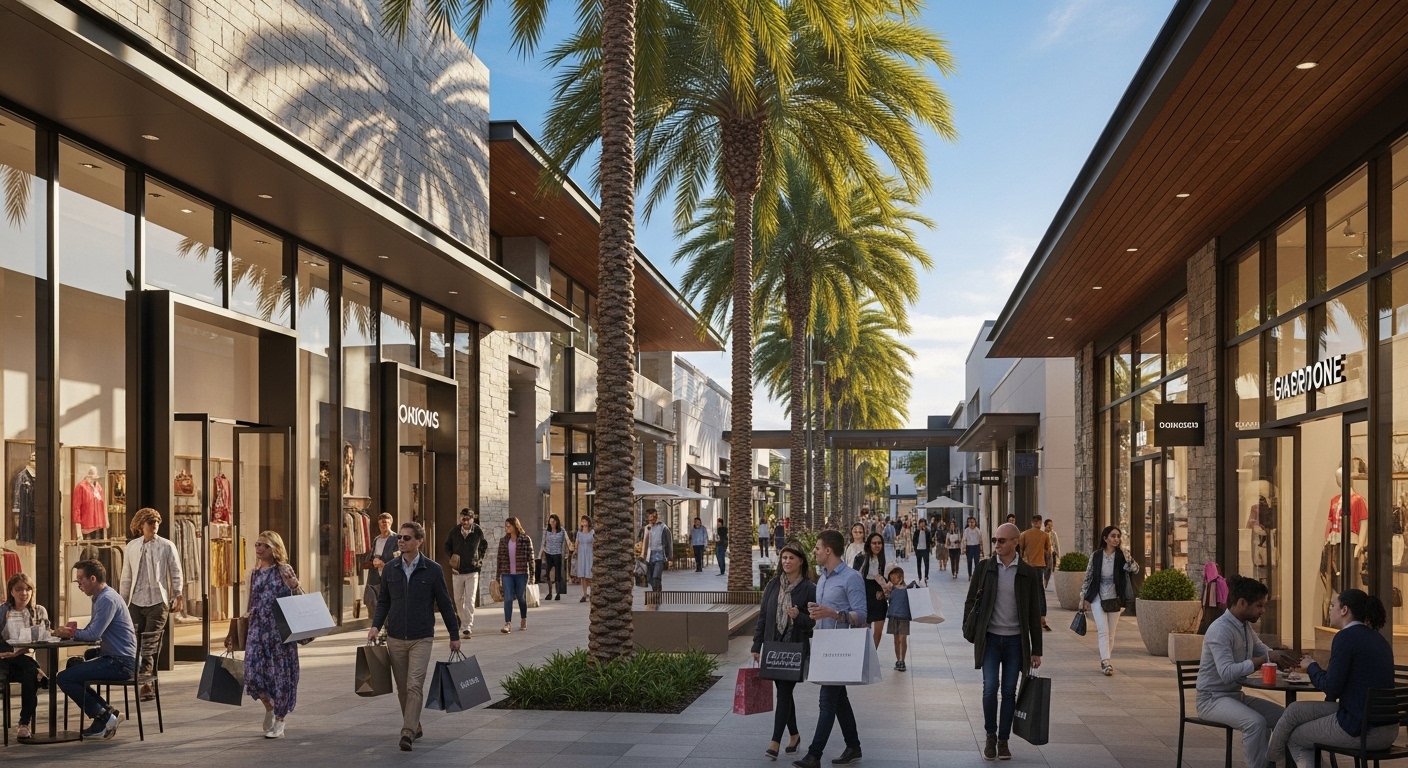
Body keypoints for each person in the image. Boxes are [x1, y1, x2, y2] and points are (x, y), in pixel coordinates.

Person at [1269, 589, 1396, 768]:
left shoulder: (1345, 637)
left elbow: (1331, 688)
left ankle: (1270, 762)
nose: (1330, 610)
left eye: (1333, 605)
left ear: (1344, 610)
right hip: (1387, 728)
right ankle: (1271, 759)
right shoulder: (1379, 639)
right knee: (1294, 710)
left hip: (1362, 729)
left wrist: (1311, 666)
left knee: (1297, 736)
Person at [367, 521, 460, 752]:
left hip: (422, 637)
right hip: (395, 637)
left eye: (407, 538)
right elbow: (384, 601)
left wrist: (454, 635)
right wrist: (375, 626)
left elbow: (446, 604)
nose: (401, 541)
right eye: (400, 537)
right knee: (403, 689)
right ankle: (414, 725)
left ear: (419, 541)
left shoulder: (433, 569)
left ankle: (407, 732)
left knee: (414, 685)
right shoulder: (390, 569)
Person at [963, 522, 1043, 761]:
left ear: (1015, 542)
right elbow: (970, 601)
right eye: (995, 540)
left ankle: (1003, 740)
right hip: (989, 640)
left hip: (1015, 642)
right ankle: (990, 735)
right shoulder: (985, 568)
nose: (996, 544)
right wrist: (970, 626)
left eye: (1002, 540)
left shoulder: (1027, 573)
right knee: (990, 689)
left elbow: (1033, 614)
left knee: (1009, 692)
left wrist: (1036, 650)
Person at [1196, 576, 1291, 768]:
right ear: (1242, 603)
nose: (1263, 610)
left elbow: (1261, 649)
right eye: (1259, 605)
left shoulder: (1244, 626)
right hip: (1211, 699)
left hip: (1234, 696)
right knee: (1255, 723)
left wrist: (1279, 657)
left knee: (1286, 717)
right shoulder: (1220, 630)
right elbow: (1227, 673)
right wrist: (1262, 661)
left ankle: (1286, 763)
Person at [793, 529, 867, 768]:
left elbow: (862, 616)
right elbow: (823, 613)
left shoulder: (851, 577)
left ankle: (814, 755)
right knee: (839, 699)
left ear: (828, 550)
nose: (814, 551)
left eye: (817, 547)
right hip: (824, 645)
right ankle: (853, 746)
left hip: (841, 649)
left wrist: (833, 613)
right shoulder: (822, 577)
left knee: (827, 701)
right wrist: (815, 612)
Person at [221, 532, 302, 739]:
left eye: (263, 545)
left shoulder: (284, 570)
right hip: (257, 628)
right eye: (257, 544)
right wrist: (234, 632)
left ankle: (280, 721)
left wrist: (295, 586)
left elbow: (300, 598)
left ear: (273, 548)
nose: (258, 549)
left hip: (280, 630)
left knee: (282, 676)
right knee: (252, 675)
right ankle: (270, 707)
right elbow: (248, 604)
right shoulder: (253, 573)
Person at [54, 559, 136, 741]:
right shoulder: (101, 597)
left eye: (80, 580)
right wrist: (74, 632)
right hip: (116, 657)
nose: (78, 585)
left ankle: (104, 716)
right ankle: (107, 713)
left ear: (92, 578)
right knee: (72, 669)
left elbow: (93, 634)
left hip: (120, 662)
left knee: (64, 677)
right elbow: (95, 631)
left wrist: (71, 633)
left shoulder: (106, 599)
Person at [752, 542, 817, 761]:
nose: (787, 562)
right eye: (784, 558)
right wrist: (756, 645)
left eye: (791, 558)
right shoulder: (772, 585)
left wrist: (798, 617)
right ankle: (795, 735)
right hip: (773, 646)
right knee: (783, 694)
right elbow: (763, 616)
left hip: (794, 647)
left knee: (785, 693)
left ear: (800, 561)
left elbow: (813, 622)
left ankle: (774, 742)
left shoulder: (809, 588)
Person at [118, 506, 183, 701]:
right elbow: (126, 576)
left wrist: (178, 595)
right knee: (136, 642)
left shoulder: (166, 545)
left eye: (156, 522)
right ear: (141, 526)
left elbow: (176, 571)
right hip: (135, 602)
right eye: (150, 522)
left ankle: (147, 684)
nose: (154, 526)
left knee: (150, 643)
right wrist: (122, 602)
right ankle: (142, 680)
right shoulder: (132, 547)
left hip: (158, 601)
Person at [1078, 525, 1139, 675]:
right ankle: (1106, 662)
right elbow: (1088, 577)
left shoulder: (1122, 555)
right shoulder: (1096, 555)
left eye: (1118, 536)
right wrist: (1082, 597)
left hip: (1115, 597)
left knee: (1111, 633)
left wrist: (1129, 559)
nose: (1116, 539)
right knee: (1103, 631)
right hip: (1098, 597)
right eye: (1113, 536)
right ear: (1105, 538)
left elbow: (1136, 569)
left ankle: (1107, 660)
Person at [0, 572, 48, 740]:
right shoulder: (3, 611)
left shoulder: (39, 611)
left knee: (29, 675)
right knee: (27, 667)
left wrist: (17, 652)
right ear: (11, 591)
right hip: (4, 663)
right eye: (19, 589)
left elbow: (44, 639)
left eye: (28, 589)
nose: (24, 593)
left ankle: (24, 724)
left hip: (22, 661)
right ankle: (39, 672)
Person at [444, 509, 487, 638]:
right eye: (463, 518)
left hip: (472, 571)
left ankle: (467, 626)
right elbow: (447, 546)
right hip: (457, 571)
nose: (465, 521)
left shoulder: (477, 531)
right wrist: (452, 558)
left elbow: (483, 545)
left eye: (468, 518)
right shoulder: (454, 532)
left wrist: (479, 560)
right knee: (458, 599)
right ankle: (463, 621)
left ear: (472, 519)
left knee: (470, 598)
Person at [496, 517, 535, 632]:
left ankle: (523, 618)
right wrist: (498, 577)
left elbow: (531, 558)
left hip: (521, 573)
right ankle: (507, 623)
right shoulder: (503, 541)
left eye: (509, 526)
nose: (506, 528)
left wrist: (532, 575)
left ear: (515, 526)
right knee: (507, 598)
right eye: (505, 526)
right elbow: (500, 559)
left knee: (521, 598)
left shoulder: (525, 539)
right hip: (507, 573)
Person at [853, 532, 890, 648]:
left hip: (879, 598)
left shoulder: (882, 559)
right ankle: (864, 655)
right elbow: (855, 578)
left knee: (878, 632)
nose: (877, 546)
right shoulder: (860, 558)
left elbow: (886, 577)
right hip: (865, 596)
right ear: (869, 544)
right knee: (865, 631)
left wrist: (885, 588)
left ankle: (873, 655)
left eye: (879, 543)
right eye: (874, 543)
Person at [1017, 515, 1053, 631]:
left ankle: (1026, 617)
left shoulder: (1024, 534)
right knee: (1039, 591)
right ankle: (1042, 618)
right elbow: (1048, 551)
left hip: (1027, 565)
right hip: (1039, 565)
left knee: (1026, 591)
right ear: (1040, 523)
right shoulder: (1045, 536)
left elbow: (1021, 551)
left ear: (1032, 522)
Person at [364, 512, 397, 621]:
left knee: (389, 598)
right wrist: (373, 562)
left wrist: (384, 564)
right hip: (375, 573)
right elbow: (372, 554)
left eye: (386, 524)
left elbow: (399, 557)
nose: (383, 526)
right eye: (381, 524)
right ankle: (377, 621)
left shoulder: (396, 539)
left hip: (389, 573)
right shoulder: (376, 539)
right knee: (374, 598)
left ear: (390, 523)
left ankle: (389, 621)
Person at [884, 564, 914, 671]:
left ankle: (902, 660)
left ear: (901, 577)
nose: (893, 579)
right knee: (896, 640)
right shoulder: (890, 589)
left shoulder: (907, 588)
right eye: (891, 577)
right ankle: (898, 660)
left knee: (902, 639)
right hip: (893, 616)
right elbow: (885, 598)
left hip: (904, 617)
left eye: (895, 577)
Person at [640, 510, 673, 592]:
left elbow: (669, 543)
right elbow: (641, 541)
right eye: (650, 518)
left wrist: (670, 558)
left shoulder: (663, 528)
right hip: (649, 556)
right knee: (650, 578)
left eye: (654, 518)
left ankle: (656, 594)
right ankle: (657, 591)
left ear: (657, 517)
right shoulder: (646, 528)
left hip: (660, 556)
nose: (652, 520)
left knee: (656, 577)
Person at [541, 514, 568, 601]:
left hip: (558, 554)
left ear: (557, 522)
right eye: (551, 521)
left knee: (558, 574)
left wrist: (564, 553)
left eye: (554, 521)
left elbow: (564, 543)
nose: (552, 523)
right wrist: (542, 554)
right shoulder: (546, 531)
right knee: (548, 574)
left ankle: (558, 593)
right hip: (548, 553)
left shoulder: (562, 530)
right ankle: (550, 593)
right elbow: (543, 543)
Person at [574, 517, 594, 601]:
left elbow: (594, 542)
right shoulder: (579, 532)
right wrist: (575, 550)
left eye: (584, 521)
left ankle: (591, 591)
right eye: (582, 521)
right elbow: (576, 542)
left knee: (589, 574)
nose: (583, 523)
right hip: (582, 553)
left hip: (589, 553)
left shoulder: (592, 532)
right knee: (582, 575)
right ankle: (584, 594)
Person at [912, 518, 931, 585]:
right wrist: (915, 548)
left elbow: (930, 540)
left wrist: (929, 548)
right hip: (918, 549)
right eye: (921, 523)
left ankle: (926, 576)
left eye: (923, 523)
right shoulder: (916, 532)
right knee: (919, 564)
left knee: (926, 564)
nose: (922, 524)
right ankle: (919, 577)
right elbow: (914, 540)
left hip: (925, 549)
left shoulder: (927, 532)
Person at [1043, 519, 1061, 587]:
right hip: (1043, 554)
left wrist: (1059, 556)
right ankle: (1044, 581)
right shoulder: (1042, 533)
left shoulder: (1053, 534)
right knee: (1044, 568)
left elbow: (1057, 545)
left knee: (1050, 569)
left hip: (1051, 554)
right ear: (1045, 525)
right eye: (1048, 525)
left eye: (1051, 525)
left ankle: (1046, 582)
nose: (1050, 527)